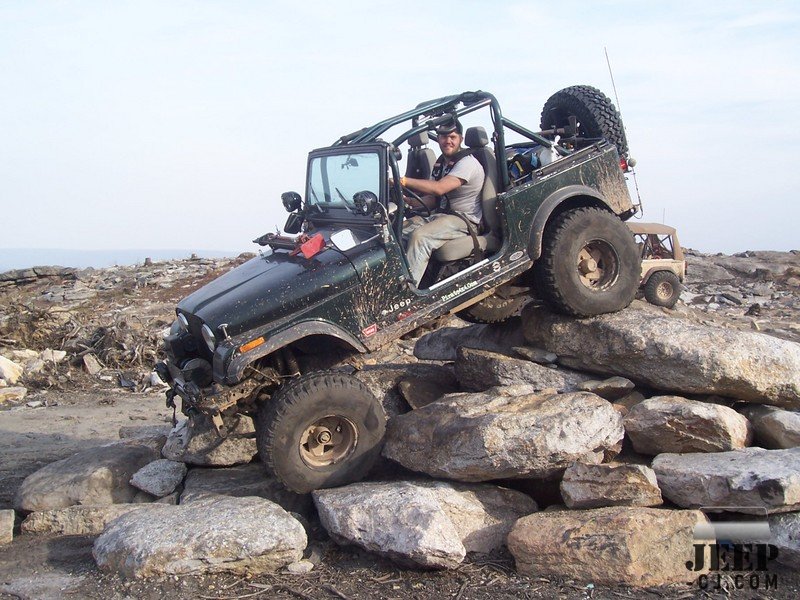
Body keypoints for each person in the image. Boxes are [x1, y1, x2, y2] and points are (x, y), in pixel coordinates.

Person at [398, 118, 485, 286]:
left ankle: (408, 295)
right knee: (399, 232)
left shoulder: (468, 163)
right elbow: (432, 200)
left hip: (465, 220)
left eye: (452, 137)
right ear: (438, 139)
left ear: (461, 139)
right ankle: (395, 284)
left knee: (420, 237)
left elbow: (439, 188)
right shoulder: (441, 164)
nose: (448, 141)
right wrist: (408, 201)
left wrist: (403, 181)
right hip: (442, 216)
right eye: (444, 137)